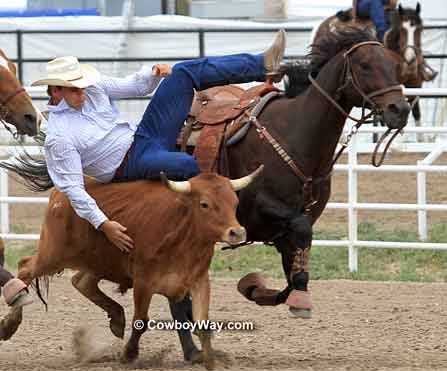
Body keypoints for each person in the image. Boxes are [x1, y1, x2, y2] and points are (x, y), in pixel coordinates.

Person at [28, 30, 286, 256]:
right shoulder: (59, 136)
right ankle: (222, 222)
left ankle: (262, 65)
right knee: (185, 164)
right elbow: (73, 188)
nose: (82, 92)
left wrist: (152, 74)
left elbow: (134, 87)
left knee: (182, 72)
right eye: (74, 89)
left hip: (144, 136)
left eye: (82, 87)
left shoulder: (92, 88)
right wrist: (103, 223)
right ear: (56, 91)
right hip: (128, 165)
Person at [354, 0, 437, 81]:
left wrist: (390, 4)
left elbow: (394, 3)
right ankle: (383, 37)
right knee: (375, 2)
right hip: (365, 4)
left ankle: (421, 63)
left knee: (402, 18)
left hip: (382, 7)